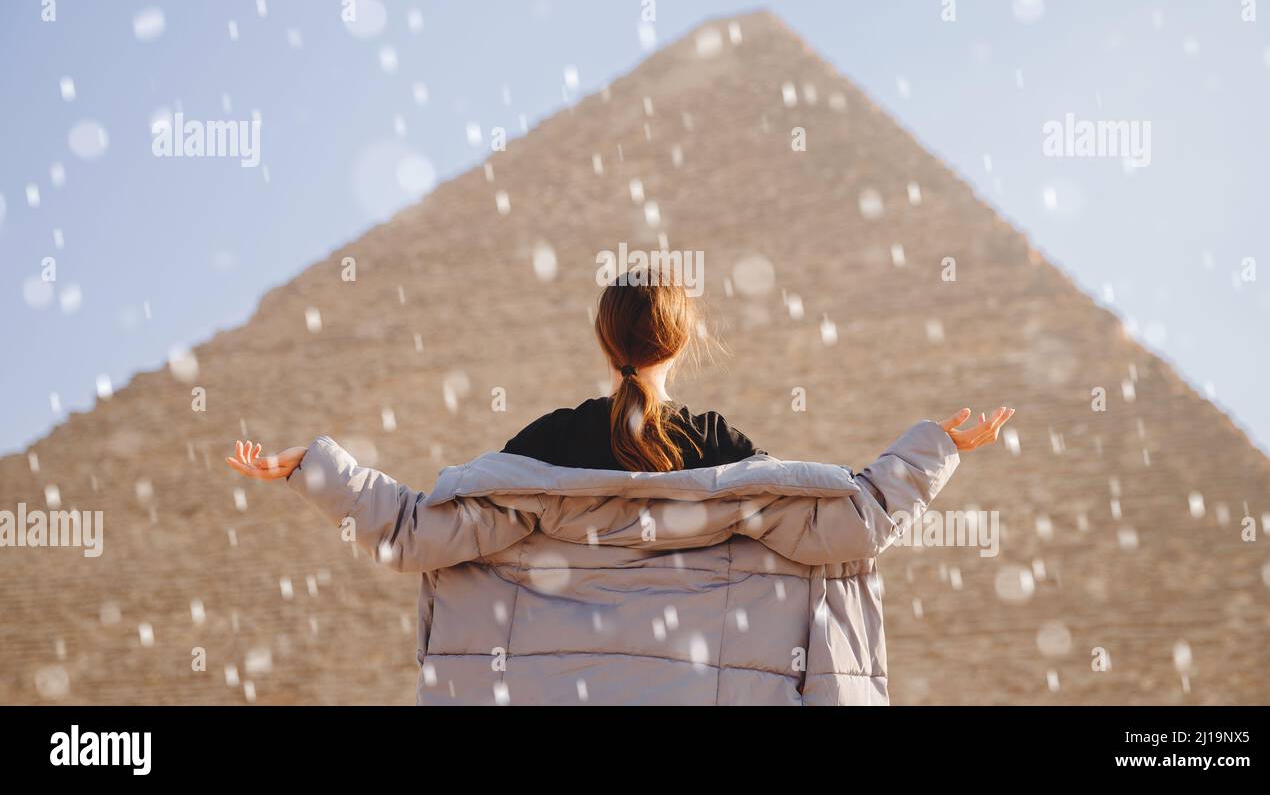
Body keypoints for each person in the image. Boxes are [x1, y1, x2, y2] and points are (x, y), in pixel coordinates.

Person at [226, 272, 1013, 705]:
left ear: (606, 342)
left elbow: (411, 532)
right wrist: (935, 447)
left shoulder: (540, 449)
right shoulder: (725, 453)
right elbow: (850, 529)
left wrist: (313, 467)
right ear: (684, 343)